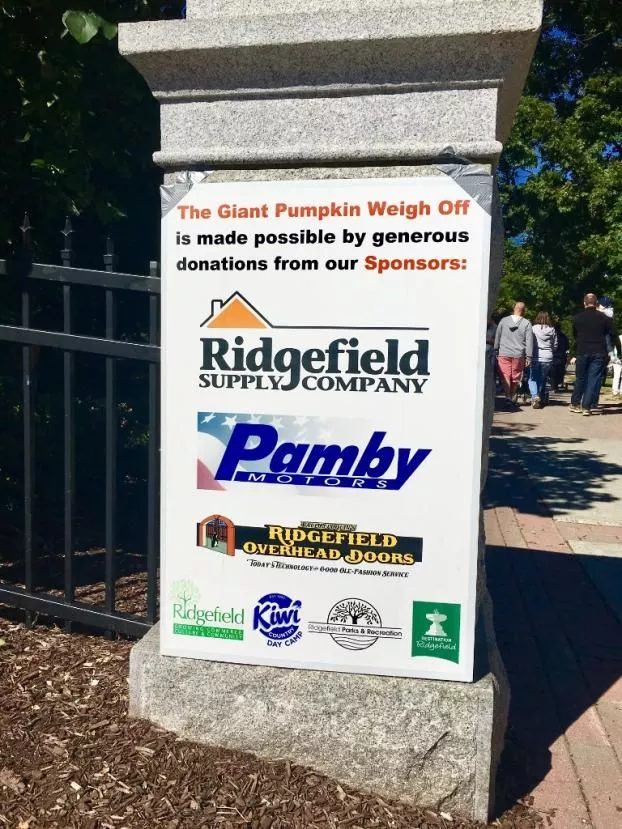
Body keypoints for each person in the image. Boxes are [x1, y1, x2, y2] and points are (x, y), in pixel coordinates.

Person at [570, 293, 620, 415]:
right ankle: (586, 406)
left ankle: (575, 403)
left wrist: (573, 352)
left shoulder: (577, 318)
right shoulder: (605, 318)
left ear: (584, 303)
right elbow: (614, 334)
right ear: (596, 303)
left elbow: (575, 336)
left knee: (580, 378)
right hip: (599, 352)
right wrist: (617, 350)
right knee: (593, 379)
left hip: (582, 351)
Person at [494, 302, 533, 404]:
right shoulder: (527, 323)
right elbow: (529, 341)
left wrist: (496, 349)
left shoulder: (504, 321)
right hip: (518, 354)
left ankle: (507, 397)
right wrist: (529, 357)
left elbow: (498, 336)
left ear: (513, 308)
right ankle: (511, 396)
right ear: (524, 311)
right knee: (515, 377)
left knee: (505, 375)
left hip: (504, 352)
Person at [528, 312, 557, 408]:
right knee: (542, 378)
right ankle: (539, 396)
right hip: (548, 357)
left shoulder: (533, 328)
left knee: (532, 378)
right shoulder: (552, 329)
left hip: (536, 356)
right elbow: (555, 344)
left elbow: (529, 342)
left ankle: (535, 395)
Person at [551, 322, 569, 392]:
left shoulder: (551, 336)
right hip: (561, 357)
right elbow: (567, 347)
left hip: (554, 356)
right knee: (560, 372)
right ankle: (555, 385)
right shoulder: (564, 337)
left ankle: (553, 386)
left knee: (553, 372)